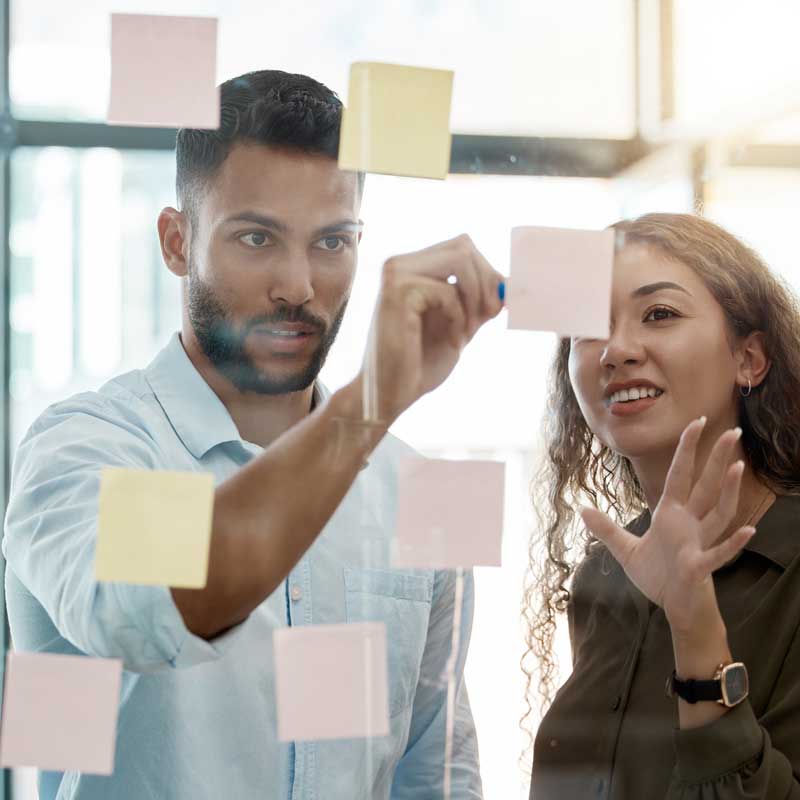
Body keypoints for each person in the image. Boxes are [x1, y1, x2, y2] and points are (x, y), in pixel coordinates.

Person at [4, 69, 503, 800]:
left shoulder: (414, 488)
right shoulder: (89, 449)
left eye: (332, 242)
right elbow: (162, 608)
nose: (297, 286)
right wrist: (369, 405)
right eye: (257, 237)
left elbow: (436, 775)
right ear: (177, 242)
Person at [524, 213, 800, 799]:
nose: (617, 350)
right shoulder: (604, 575)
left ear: (750, 358)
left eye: (660, 315)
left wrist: (694, 621)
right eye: (589, 327)